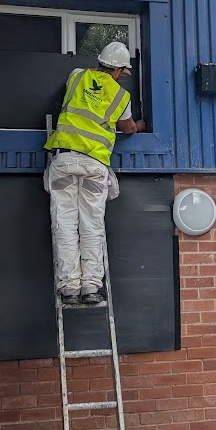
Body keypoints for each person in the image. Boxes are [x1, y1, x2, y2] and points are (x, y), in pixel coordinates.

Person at [44, 42, 145, 305]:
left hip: (64, 160)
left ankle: (68, 287)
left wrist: (105, 70)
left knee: (64, 225)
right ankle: (90, 287)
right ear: (121, 70)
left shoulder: (77, 76)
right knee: (91, 225)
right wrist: (140, 124)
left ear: (100, 62)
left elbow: (92, 76)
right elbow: (129, 128)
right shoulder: (122, 96)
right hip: (93, 166)